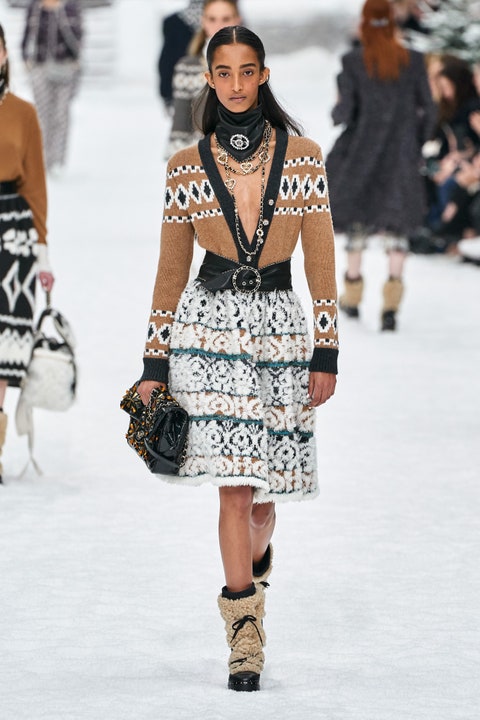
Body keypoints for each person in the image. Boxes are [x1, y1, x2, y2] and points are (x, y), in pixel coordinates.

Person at [135, 25, 338, 691]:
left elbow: (321, 256)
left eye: (247, 71)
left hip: (280, 333)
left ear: (264, 75)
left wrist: (327, 348)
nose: (236, 84)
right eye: (223, 73)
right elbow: (170, 271)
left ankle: (254, 568)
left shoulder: (303, 158)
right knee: (234, 487)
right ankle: (244, 634)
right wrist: (155, 363)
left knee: (261, 506)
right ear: (209, 78)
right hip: (210, 334)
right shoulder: (184, 167)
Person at [326, 0, 436, 330]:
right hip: (400, 155)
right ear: (393, 22)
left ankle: (352, 296)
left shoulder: (352, 61)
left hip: (360, 153)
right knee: (397, 226)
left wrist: (338, 101)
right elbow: (429, 111)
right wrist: (414, 143)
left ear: (363, 23)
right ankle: (391, 307)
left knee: (357, 224)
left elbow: (342, 115)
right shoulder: (413, 60)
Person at [0, 23, 54, 484]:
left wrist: (42, 252)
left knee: (4, 344)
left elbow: (34, 184)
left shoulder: (22, 112)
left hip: (12, 234)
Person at [165, 0, 241, 158]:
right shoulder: (188, 67)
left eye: (226, 19)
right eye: (212, 19)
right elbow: (180, 124)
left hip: (245, 158)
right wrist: (179, 163)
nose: (219, 26)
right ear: (203, 21)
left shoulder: (251, 65)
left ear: (237, 20)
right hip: (201, 159)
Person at [21, 0, 83, 174]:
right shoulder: (35, 7)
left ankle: (57, 160)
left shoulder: (70, 7)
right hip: (40, 67)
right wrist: (25, 57)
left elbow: (77, 37)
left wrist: (60, 14)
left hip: (64, 67)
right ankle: (43, 158)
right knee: (42, 114)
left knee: (61, 114)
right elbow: (27, 34)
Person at [157, 0, 203, 114]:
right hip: (184, 92)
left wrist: (167, 95)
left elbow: (166, 61)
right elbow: (167, 61)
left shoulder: (172, 22)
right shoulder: (173, 23)